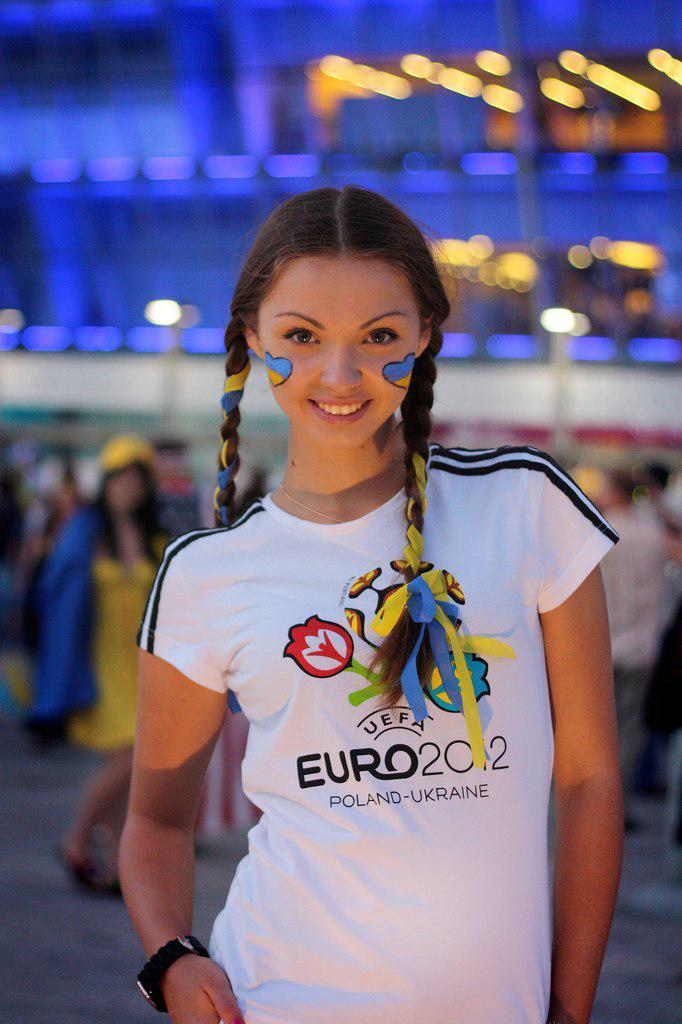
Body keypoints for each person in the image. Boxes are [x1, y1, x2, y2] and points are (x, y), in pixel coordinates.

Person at [120, 186, 623, 1024]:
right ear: (253, 338)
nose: (339, 374)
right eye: (301, 336)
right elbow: (155, 821)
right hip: (276, 997)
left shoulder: (527, 506)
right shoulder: (205, 574)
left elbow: (591, 778)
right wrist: (172, 957)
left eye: (379, 336)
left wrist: (570, 1010)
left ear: (424, 334)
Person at [52, 435, 167, 892]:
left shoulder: (154, 537)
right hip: (98, 661)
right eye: (119, 477)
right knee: (131, 754)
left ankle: (117, 866)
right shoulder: (84, 532)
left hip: (143, 663)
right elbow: (58, 593)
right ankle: (76, 840)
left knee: (134, 766)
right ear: (106, 482)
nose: (127, 486)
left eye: (136, 478)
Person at [597, 468, 670, 829]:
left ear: (615, 491)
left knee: (594, 729)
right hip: (641, 645)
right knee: (628, 732)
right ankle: (617, 809)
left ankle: (591, 807)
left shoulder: (594, 529)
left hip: (599, 646)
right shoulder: (652, 533)